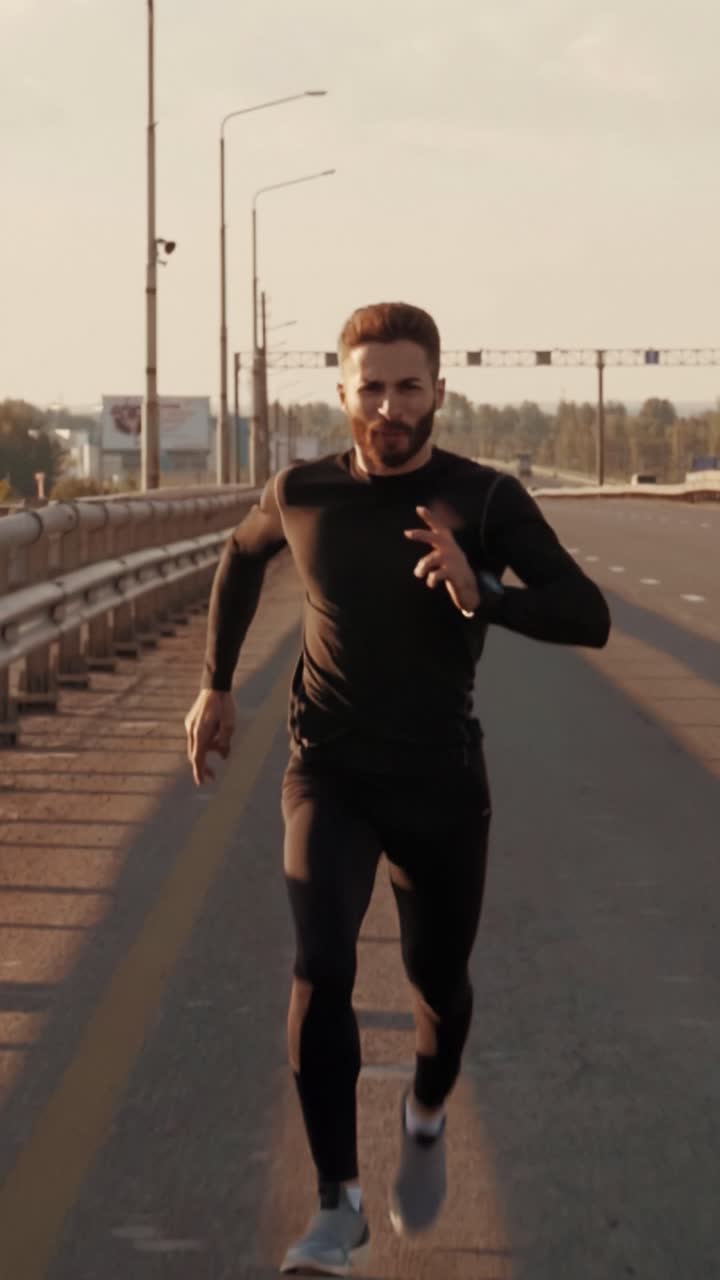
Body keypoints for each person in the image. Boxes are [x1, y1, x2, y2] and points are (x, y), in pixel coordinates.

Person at [184, 302, 611, 1276]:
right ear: (341, 392)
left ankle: (424, 1114)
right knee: (320, 963)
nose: (389, 406)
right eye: (370, 387)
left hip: (439, 780)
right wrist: (216, 683)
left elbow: (587, 614)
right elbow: (239, 556)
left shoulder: (485, 498)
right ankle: (337, 1205)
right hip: (327, 770)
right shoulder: (302, 491)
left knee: (437, 986)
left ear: (439, 392)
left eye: (408, 386)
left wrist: (484, 593)